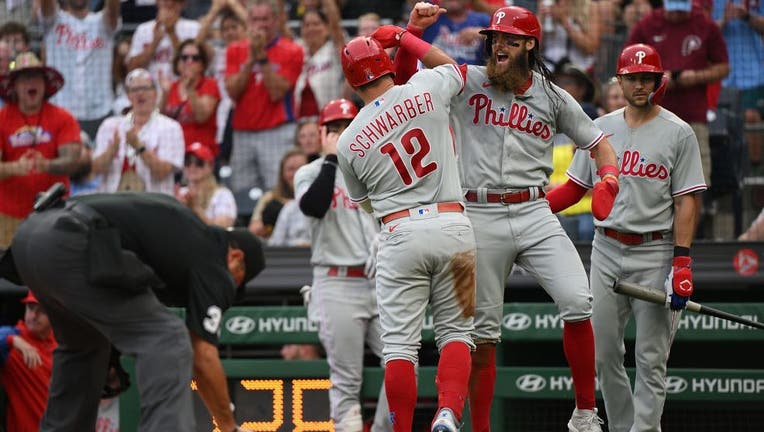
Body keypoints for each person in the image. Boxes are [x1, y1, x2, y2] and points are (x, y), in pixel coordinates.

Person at [387, 4, 620, 431]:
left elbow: (600, 142)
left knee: (578, 302)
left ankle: (585, 413)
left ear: (530, 45)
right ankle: (480, 428)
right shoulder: (469, 81)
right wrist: (407, 33)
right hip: (475, 212)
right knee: (480, 337)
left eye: (510, 40)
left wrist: (608, 180)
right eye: (494, 39)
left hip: (534, 209)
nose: (499, 47)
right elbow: (408, 77)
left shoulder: (552, 96)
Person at [1, 189, 266, 431]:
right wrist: (228, 426)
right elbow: (203, 355)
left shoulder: (181, 233)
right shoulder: (213, 259)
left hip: (31, 236)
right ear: (235, 257)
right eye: (237, 281)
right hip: (73, 237)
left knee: (85, 346)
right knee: (169, 338)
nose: (229, 289)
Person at [547, 43, 707, 432]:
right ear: (619, 79)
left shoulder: (679, 132)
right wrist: (526, 207)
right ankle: (622, 427)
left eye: (646, 78)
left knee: (651, 358)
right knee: (603, 355)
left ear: (658, 80)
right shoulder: (600, 128)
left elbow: (688, 201)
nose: (639, 85)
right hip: (606, 248)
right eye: (632, 78)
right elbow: (574, 188)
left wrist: (682, 261)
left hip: (655, 249)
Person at [336, 32, 477, 432]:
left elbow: (364, 204)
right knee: (457, 334)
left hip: (399, 232)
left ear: (351, 81)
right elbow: (453, 66)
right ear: (387, 62)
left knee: (400, 346)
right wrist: (404, 36)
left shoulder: (347, 142)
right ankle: (448, 411)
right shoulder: (427, 85)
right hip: (453, 225)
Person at [295, 98, 392, 432]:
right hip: (336, 283)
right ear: (322, 133)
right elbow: (313, 206)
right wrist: (333, 158)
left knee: (403, 363)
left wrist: (386, 236)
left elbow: (394, 215)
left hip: (379, 282)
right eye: (334, 128)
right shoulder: (310, 172)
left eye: (347, 127)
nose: (341, 134)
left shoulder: (375, 170)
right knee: (346, 381)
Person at [626, 0, 729, 190]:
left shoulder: (705, 24)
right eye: (673, 10)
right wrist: (658, 79)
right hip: (651, 116)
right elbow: (627, 67)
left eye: (681, 10)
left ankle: (695, 220)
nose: (677, 15)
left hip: (694, 116)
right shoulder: (648, 24)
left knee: (696, 183)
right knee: (651, 181)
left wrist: (697, 77)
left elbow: (723, 67)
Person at [0, 52, 81, 248]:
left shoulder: (63, 117)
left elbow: (73, 163)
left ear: (45, 85)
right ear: (15, 86)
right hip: (8, 216)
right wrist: (15, 168)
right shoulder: (2, 119)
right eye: (25, 78)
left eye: (36, 77)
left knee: (52, 269)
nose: (31, 82)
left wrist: (45, 164)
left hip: (54, 214)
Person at [224, 0, 304, 193]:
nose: (260, 24)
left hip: (276, 130)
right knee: (241, 192)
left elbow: (277, 92)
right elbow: (232, 92)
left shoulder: (292, 50)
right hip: (243, 132)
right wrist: (251, 59)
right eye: (255, 19)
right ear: (248, 21)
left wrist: (261, 56)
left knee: (278, 190)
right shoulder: (235, 50)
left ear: (276, 20)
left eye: (265, 19)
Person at [91, 68, 185, 194]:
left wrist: (139, 147)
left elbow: (163, 172)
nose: (140, 93)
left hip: (155, 204)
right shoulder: (110, 125)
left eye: (146, 88)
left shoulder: (170, 127)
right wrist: (111, 151)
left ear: (155, 93)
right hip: (114, 204)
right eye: (134, 89)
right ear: (128, 95)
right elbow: (95, 169)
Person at [39, 0, 120, 139]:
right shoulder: (54, 20)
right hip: (62, 110)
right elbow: (46, 5)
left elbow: (113, 10)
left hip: (101, 111)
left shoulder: (102, 21)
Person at [712, 0, 764, 172]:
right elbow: (703, 34)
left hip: (754, 74)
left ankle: (755, 173)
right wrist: (724, 20)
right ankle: (728, 176)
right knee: (722, 125)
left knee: (751, 117)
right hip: (721, 74)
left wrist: (747, 16)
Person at [0, 290, 57, 432]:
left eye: (41, 310)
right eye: (30, 308)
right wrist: (11, 339)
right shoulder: (14, 339)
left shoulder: (61, 345)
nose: (33, 315)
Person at [161, 38, 221, 156]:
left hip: (200, 155)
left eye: (195, 58)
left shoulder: (209, 84)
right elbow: (160, 120)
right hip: (173, 153)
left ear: (202, 64)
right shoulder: (170, 86)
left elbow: (202, 117)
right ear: (177, 63)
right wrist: (164, 94)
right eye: (184, 58)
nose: (189, 61)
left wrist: (191, 91)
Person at [294, 0, 345, 120]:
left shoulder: (333, 48)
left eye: (316, 24)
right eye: (306, 25)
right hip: (300, 125)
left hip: (330, 119)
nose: (311, 28)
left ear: (327, 28)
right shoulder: (297, 49)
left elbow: (335, 24)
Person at [126, 0, 200, 83]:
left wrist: (172, 33)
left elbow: (196, 66)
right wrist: (154, 43)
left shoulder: (194, 27)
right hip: (150, 91)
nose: (167, 2)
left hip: (181, 90)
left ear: (182, 4)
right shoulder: (143, 29)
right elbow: (132, 69)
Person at [248, 148, 307, 239]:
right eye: (290, 169)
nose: (296, 174)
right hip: (277, 249)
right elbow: (254, 229)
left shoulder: (317, 196)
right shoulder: (269, 198)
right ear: (282, 173)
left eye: (300, 168)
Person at [177, 142, 237, 227]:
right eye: (188, 162)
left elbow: (222, 229)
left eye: (199, 163)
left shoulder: (222, 194)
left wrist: (194, 208)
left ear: (210, 166)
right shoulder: (181, 192)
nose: (192, 167)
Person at [421, 0, 491, 65]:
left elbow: (500, 42)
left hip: (471, 75)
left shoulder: (483, 20)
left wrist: (484, 34)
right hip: (434, 73)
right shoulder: (428, 17)